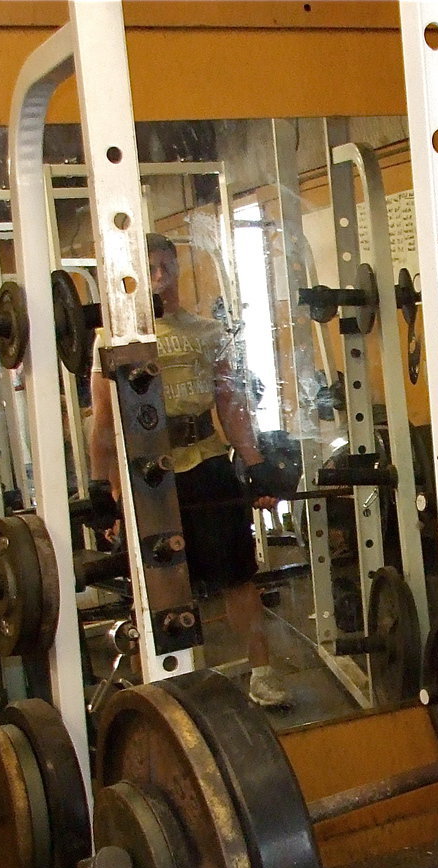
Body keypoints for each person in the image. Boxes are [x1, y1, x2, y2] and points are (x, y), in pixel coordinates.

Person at [90, 232, 291, 708]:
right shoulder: (112, 339)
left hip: (205, 465)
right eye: (148, 271)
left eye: (164, 268)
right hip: (149, 477)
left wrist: (255, 462)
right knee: (163, 582)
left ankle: (261, 672)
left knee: (237, 575)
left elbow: (230, 403)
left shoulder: (206, 332)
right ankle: (172, 687)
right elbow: (103, 424)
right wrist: (107, 490)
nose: (158, 280)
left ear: (176, 271)